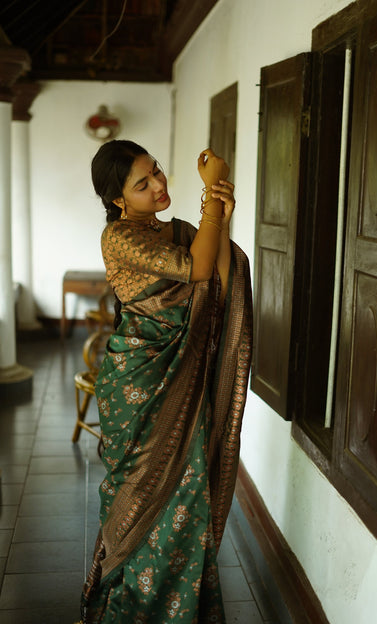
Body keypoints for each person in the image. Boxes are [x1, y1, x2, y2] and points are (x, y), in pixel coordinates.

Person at [80, 140, 252, 624]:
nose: (158, 185)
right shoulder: (118, 238)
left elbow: (217, 278)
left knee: (186, 491)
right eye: (142, 183)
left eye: (156, 171)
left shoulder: (172, 230)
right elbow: (197, 267)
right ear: (118, 201)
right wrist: (213, 202)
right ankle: (128, 608)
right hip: (139, 380)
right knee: (137, 496)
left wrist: (216, 214)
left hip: (184, 373)